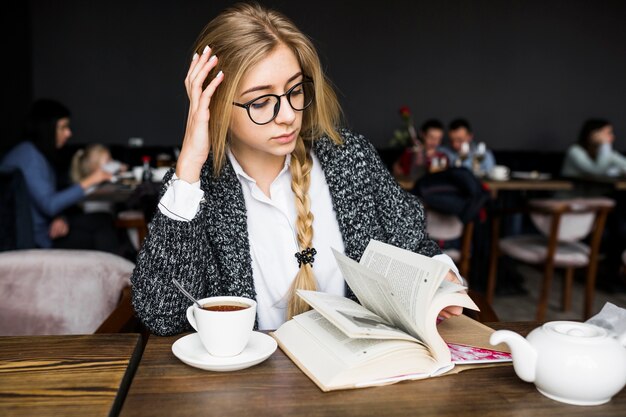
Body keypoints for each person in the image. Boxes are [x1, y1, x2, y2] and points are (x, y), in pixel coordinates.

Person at [131, 2, 467, 336]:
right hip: (251, 386)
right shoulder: (193, 191)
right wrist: (189, 164)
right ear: (215, 105)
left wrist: (440, 277)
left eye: (294, 90)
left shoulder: (350, 158)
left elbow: (415, 247)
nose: (288, 114)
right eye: (261, 102)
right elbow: (162, 316)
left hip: (358, 377)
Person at [0, 99, 114, 249]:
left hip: (46, 231)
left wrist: (60, 218)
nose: (69, 133)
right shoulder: (29, 157)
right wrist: (92, 179)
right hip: (36, 242)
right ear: (47, 128)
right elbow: (50, 205)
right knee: (102, 224)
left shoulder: (33, 153)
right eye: (63, 127)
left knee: (103, 220)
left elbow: (42, 202)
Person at [561, 119, 626, 178]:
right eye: (608, 133)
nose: (612, 136)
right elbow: (596, 172)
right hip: (575, 190)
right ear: (593, 134)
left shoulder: (606, 152)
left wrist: (613, 171)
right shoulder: (574, 150)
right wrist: (605, 144)